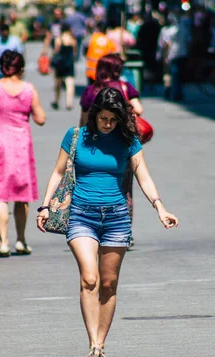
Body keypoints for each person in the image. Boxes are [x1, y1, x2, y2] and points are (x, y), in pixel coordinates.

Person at [36, 87, 178, 357]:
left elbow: (143, 176)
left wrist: (159, 207)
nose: (109, 125)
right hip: (81, 215)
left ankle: (101, 345)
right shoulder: (76, 137)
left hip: (116, 218)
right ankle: (92, 345)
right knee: (90, 278)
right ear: (93, 115)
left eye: (113, 120)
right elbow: (57, 171)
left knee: (109, 284)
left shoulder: (128, 140)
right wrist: (45, 205)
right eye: (103, 119)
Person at [0, 51, 46, 257]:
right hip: (21, 143)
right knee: (22, 195)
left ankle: (4, 242)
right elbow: (40, 119)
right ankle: (21, 240)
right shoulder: (29, 89)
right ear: (21, 69)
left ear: (2, 68)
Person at [79, 54, 144, 246]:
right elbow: (139, 109)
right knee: (125, 190)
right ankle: (125, 232)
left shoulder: (91, 90)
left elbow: (83, 118)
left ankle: (94, 228)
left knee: (94, 185)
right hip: (120, 145)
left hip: (93, 146)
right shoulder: (124, 87)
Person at [157, 12, 191, 101]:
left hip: (173, 55)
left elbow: (167, 44)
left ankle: (175, 94)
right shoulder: (184, 28)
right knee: (180, 75)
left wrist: (165, 55)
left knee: (174, 75)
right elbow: (189, 41)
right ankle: (179, 93)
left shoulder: (169, 31)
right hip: (183, 54)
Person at [51, 23, 77, 111]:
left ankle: (57, 101)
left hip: (60, 64)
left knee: (58, 83)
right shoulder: (72, 40)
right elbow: (74, 53)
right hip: (69, 63)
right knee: (70, 83)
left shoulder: (59, 39)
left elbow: (56, 51)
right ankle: (69, 103)